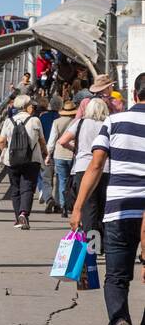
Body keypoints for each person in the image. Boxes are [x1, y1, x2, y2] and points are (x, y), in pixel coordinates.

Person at [70, 73, 145, 325]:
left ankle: (119, 320)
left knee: (116, 277)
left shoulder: (113, 122)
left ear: (134, 93)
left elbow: (96, 164)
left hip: (118, 211)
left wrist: (77, 208)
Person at [62, 97, 111, 238]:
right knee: (103, 208)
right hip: (105, 168)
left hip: (83, 168)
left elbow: (62, 140)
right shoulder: (107, 125)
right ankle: (100, 242)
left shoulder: (80, 123)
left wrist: (77, 150)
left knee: (89, 209)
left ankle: (92, 248)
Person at [0, 94, 46, 230]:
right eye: (31, 105)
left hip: (12, 160)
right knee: (28, 187)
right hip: (32, 160)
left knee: (15, 188)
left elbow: (1, 141)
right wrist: (45, 153)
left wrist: (5, 150)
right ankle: (24, 214)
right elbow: (42, 141)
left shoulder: (9, 121)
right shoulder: (35, 121)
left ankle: (18, 217)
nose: (33, 107)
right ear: (25, 107)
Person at [47, 99, 78, 216]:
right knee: (73, 181)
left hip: (59, 155)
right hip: (72, 154)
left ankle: (63, 205)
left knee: (62, 180)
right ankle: (72, 204)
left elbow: (52, 140)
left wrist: (48, 154)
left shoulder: (56, 122)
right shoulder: (76, 122)